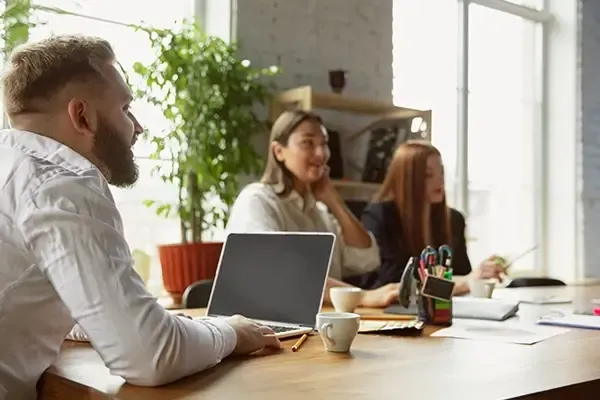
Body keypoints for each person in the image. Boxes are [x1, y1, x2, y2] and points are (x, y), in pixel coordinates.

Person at [0, 35, 280, 400]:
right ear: (81, 115)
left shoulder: (13, 165)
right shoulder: (62, 183)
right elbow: (150, 356)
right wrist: (231, 332)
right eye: (126, 108)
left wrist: (132, 321)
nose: (138, 127)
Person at [226, 110, 400, 308]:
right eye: (307, 143)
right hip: (265, 325)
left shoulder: (319, 212)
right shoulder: (257, 201)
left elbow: (367, 259)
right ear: (279, 151)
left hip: (319, 326)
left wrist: (334, 202)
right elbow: (276, 271)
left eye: (324, 143)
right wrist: (361, 297)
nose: (321, 153)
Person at [359, 140, 505, 293]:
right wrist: (466, 280)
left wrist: (480, 274)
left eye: (441, 172)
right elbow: (395, 281)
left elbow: (461, 274)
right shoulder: (381, 215)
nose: (439, 181)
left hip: (444, 308)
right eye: (428, 175)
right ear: (407, 179)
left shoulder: (454, 219)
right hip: (390, 311)